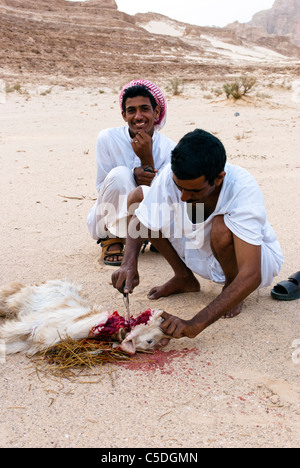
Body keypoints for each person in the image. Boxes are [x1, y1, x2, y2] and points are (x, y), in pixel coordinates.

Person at [112, 129, 284, 341]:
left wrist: (194, 324)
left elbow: (251, 274)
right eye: (179, 187)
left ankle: (232, 289)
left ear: (219, 178)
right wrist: (129, 263)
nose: (184, 197)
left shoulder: (242, 189)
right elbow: (141, 219)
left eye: (193, 191)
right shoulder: (172, 175)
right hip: (199, 247)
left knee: (222, 227)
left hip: (252, 261)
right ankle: (184, 277)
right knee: (139, 198)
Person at [87, 79, 176, 266]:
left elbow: (166, 196)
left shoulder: (170, 149)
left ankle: (150, 236)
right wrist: (132, 174)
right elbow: (102, 187)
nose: (138, 116)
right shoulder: (108, 138)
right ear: (123, 114)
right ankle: (111, 237)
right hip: (108, 214)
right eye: (131, 110)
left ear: (156, 112)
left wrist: (147, 162)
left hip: (150, 217)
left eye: (144, 109)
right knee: (120, 174)